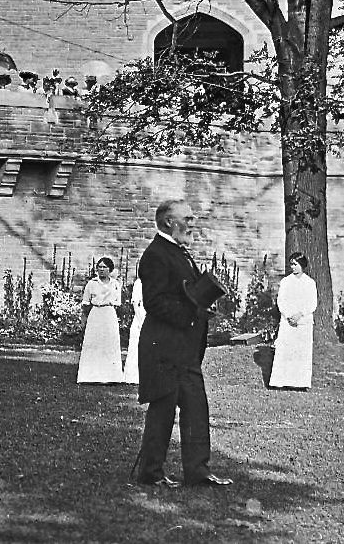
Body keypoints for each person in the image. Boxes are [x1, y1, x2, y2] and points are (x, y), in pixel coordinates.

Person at [134, 199, 232, 488]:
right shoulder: (155, 255)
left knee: (196, 408)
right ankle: (151, 473)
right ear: (168, 222)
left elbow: (184, 295)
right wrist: (192, 312)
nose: (193, 224)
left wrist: (201, 306)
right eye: (187, 219)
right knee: (162, 410)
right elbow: (155, 304)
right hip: (163, 348)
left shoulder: (179, 253)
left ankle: (198, 472)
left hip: (185, 350)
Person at [269, 252, 318, 390]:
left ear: (302, 265)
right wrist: (288, 315)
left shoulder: (310, 283)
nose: (293, 267)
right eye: (291, 264)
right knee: (286, 351)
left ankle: (300, 383)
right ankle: (282, 381)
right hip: (287, 320)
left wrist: (300, 314)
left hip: (303, 321)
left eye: (295, 264)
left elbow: (312, 303)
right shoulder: (285, 282)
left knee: (301, 352)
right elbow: (281, 301)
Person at [77, 257, 124, 384]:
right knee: (94, 343)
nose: (101, 270)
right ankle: (90, 377)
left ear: (110, 270)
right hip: (96, 314)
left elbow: (118, 302)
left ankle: (111, 377)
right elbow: (86, 303)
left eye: (104, 267)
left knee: (109, 343)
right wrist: (84, 319)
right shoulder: (92, 283)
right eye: (99, 267)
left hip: (109, 314)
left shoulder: (115, 284)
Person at [123, 274, 145, 385]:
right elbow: (136, 303)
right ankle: (134, 377)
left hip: (155, 315)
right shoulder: (139, 283)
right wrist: (141, 318)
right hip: (141, 315)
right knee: (137, 344)